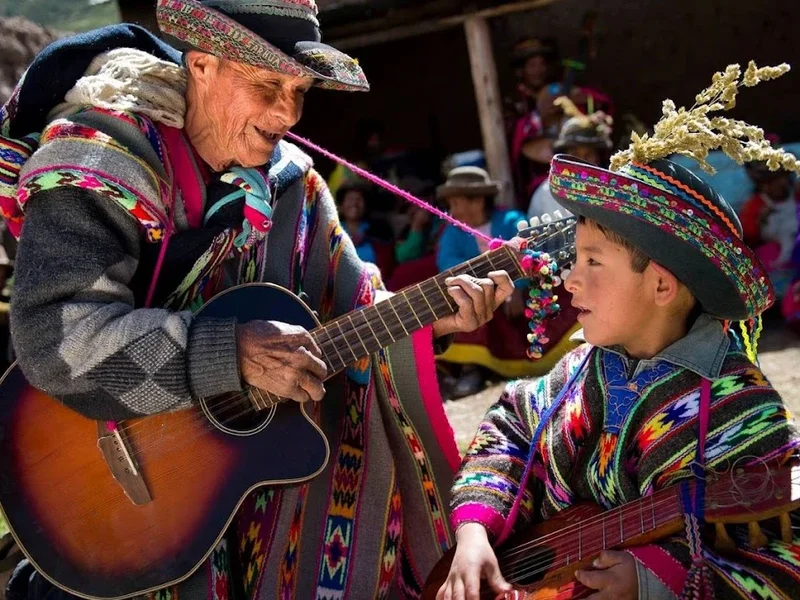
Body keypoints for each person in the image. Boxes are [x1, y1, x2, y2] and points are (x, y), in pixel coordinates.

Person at [0, 1, 516, 598]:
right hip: (105, 487)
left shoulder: (293, 186)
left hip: (244, 501)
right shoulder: (100, 160)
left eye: (299, 91)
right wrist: (229, 354)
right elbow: (57, 339)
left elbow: (350, 308)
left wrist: (433, 318)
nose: (287, 113)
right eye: (268, 86)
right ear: (201, 67)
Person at [437, 62, 800, 599]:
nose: (570, 279)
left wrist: (658, 582)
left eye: (592, 261)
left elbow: (785, 558)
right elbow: (510, 427)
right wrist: (474, 531)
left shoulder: (740, 411)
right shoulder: (578, 372)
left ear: (661, 286)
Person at [435, 167, 579, 397]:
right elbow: (447, 264)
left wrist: (517, 288)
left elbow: (533, 255)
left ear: (477, 201)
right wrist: (493, 283)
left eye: (456, 203)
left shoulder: (511, 220)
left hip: (524, 299)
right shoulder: (452, 233)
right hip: (482, 300)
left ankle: (568, 356)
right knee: (463, 304)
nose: (452, 210)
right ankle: (474, 368)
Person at [527, 97, 613, 220]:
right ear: (564, 157)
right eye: (575, 154)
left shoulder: (613, 193)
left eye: (588, 154)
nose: (582, 161)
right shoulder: (546, 195)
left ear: (598, 157)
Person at [740, 160, 798, 300]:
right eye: (767, 182)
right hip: (771, 255)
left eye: (779, 179)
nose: (775, 185)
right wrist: (759, 221)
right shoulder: (754, 205)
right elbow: (746, 236)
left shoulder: (797, 195)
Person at [336, 182, 395, 275]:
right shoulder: (332, 230)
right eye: (350, 199)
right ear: (341, 205)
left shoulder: (379, 230)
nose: (355, 203)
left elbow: (388, 262)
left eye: (359, 199)